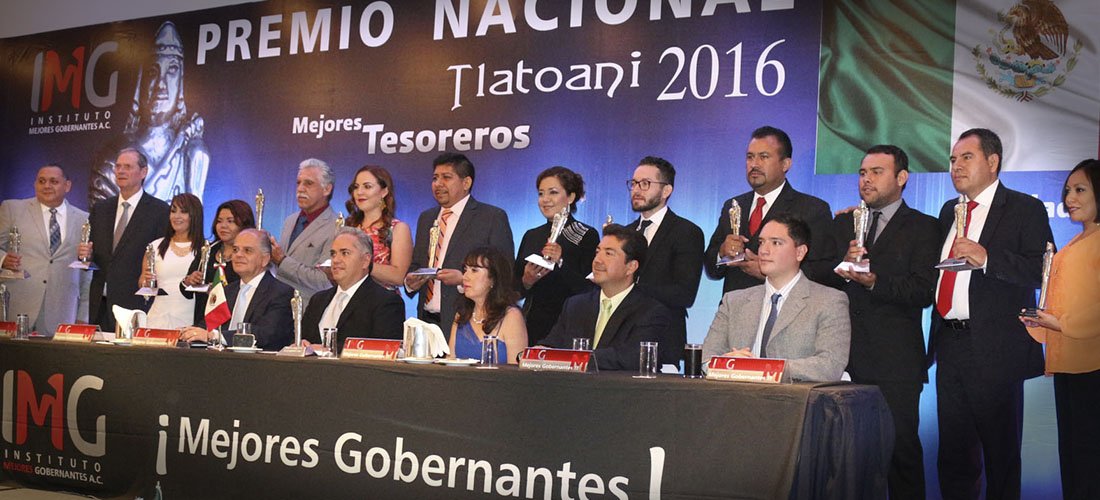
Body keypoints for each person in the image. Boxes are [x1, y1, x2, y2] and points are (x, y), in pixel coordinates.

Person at [930, 128, 1052, 500]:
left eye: (966, 157)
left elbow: (1043, 270)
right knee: (952, 456)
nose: (956, 166)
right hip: (950, 347)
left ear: (992, 162)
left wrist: (988, 259)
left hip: (995, 350)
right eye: (953, 160)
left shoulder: (1023, 208)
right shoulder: (948, 212)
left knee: (1000, 457)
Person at [828, 145, 939, 500]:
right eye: (862, 173)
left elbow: (924, 291)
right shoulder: (843, 222)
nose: (866, 179)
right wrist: (840, 267)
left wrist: (875, 282)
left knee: (900, 454)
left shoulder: (926, 227)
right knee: (845, 458)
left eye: (877, 172)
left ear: (901, 178)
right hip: (842, 357)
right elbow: (816, 280)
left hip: (896, 363)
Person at [1019, 159, 1100, 500]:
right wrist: (1041, 323)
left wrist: (1060, 323)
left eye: (1080, 190)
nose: (1070, 198)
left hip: (1094, 366)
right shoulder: (1069, 247)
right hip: (1069, 365)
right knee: (1074, 459)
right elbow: (1060, 308)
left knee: (1090, 462)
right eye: (1068, 190)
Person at [701, 215, 850, 382]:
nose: (764, 250)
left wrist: (759, 368)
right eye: (761, 242)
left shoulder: (829, 301)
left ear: (800, 252)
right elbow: (706, 360)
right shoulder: (734, 301)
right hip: (738, 402)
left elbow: (830, 366)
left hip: (795, 403)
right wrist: (728, 363)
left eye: (776, 243)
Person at [704, 126, 836, 294]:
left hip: (785, 314)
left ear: (785, 164)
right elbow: (711, 269)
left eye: (764, 157)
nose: (754, 164)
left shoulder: (813, 209)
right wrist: (722, 252)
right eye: (750, 157)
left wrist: (770, 273)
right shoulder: (733, 205)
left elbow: (824, 273)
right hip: (735, 313)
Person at [89, 21, 208, 203]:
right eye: (153, 72)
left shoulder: (192, 152)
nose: (161, 84)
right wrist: (178, 143)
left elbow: (194, 219)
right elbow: (109, 221)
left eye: (172, 70)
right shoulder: (112, 157)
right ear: (141, 82)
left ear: (181, 82)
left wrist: (192, 149)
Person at [405, 153, 514, 341]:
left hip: (468, 321)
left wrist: (463, 280)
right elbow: (417, 264)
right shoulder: (426, 218)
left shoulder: (491, 217)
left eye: (446, 177)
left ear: (466, 183)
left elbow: (504, 273)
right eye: (434, 178)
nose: (438, 184)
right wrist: (410, 282)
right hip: (426, 323)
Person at [540, 224, 671, 371]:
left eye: (608, 254)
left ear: (631, 267)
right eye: (597, 252)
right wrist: (537, 353)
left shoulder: (651, 311)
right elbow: (552, 345)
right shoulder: (576, 305)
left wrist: (572, 358)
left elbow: (631, 358)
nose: (597, 260)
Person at [80, 148, 170, 332]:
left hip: (136, 304)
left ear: (143, 172)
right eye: (118, 166)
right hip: (100, 304)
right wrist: (85, 255)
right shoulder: (100, 209)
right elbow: (95, 254)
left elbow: (161, 259)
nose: (120, 171)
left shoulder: (159, 211)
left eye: (127, 167)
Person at [626, 156, 704, 367]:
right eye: (633, 183)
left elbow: (684, 294)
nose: (636, 189)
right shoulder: (625, 233)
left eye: (645, 184)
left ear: (666, 190)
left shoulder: (686, 232)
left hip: (663, 342)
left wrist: (633, 287)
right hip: (621, 342)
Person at [0, 164, 91, 334]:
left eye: (54, 181)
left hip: (63, 312)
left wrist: (83, 315)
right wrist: (3, 259)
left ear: (67, 186)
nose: (47, 186)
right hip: (17, 307)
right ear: (35, 184)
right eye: (42, 181)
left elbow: (87, 273)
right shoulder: (12, 209)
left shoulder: (84, 219)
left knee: (57, 361)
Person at [514, 167, 598, 346]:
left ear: (571, 197)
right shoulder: (531, 235)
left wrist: (560, 262)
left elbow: (589, 289)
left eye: (553, 192)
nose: (545, 200)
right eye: (541, 193)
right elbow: (513, 288)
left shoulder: (585, 234)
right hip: (532, 324)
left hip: (570, 324)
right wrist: (526, 281)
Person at [179, 229, 294, 350]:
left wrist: (215, 336)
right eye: (235, 250)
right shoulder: (226, 291)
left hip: (260, 364)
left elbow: (266, 333)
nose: (238, 255)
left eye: (247, 250)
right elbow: (208, 325)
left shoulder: (281, 292)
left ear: (264, 259)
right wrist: (188, 332)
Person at [302, 228, 404, 354]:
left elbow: (384, 350)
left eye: (345, 253)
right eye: (333, 254)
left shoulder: (385, 302)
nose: (336, 260)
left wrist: (329, 350)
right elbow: (302, 339)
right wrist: (301, 345)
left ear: (366, 260)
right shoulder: (318, 300)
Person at [270, 158, 338, 302]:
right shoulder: (290, 220)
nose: (300, 189)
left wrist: (282, 261)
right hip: (278, 307)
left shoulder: (337, 227)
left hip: (309, 310)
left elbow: (324, 281)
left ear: (327, 189)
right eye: (298, 183)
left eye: (308, 183)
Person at [179, 199, 254, 327]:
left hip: (235, 324)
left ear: (244, 224)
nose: (223, 226)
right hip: (203, 324)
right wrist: (189, 281)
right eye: (219, 221)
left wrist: (219, 290)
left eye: (230, 221)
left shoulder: (250, 255)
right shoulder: (208, 249)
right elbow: (185, 290)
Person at [450, 247, 528, 363]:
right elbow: (449, 363)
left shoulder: (511, 316)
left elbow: (517, 373)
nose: (465, 277)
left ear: (493, 279)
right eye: (465, 270)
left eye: (474, 270)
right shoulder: (461, 316)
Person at [142, 193, 204, 329]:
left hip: (192, 322)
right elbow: (142, 283)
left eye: (184, 212)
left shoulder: (207, 249)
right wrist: (146, 281)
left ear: (195, 215)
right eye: (173, 211)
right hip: (157, 319)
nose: (177, 216)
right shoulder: (154, 247)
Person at [345, 165, 412, 289]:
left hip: (383, 303)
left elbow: (399, 276)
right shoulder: (347, 227)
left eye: (367, 186)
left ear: (384, 192)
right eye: (356, 187)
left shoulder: (397, 228)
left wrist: (363, 264)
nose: (359, 192)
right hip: (347, 301)